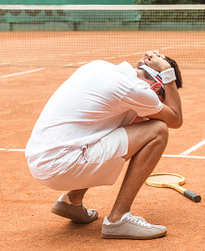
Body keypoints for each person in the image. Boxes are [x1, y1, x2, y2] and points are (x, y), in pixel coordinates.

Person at [25, 50, 183, 240]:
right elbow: (175, 119)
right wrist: (167, 72)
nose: (160, 105)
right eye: (161, 99)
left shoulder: (99, 66)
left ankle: (72, 201)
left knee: (133, 121)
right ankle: (119, 219)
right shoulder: (134, 89)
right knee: (158, 130)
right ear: (157, 86)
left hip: (41, 160)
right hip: (61, 166)